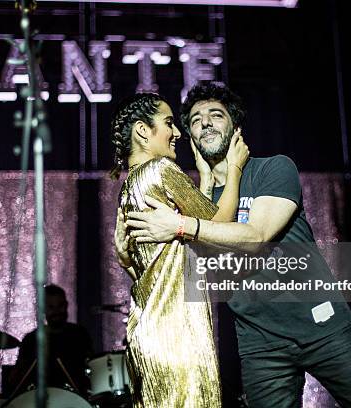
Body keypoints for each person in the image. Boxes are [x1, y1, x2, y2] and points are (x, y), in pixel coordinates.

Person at [119, 82, 351, 408]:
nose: (204, 122)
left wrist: (179, 226)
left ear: (236, 129)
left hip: (322, 327)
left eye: (216, 115)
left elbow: (256, 236)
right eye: (194, 120)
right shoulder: (197, 200)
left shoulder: (273, 168)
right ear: (190, 138)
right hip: (260, 345)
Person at [110, 92, 249, 408]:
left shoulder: (131, 187)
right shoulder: (160, 169)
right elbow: (220, 225)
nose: (177, 133)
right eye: (169, 123)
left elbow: (190, 239)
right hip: (177, 337)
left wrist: (205, 178)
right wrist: (235, 167)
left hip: (149, 335)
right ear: (143, 131)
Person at [6, 284, 92, 398]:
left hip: (76, 398)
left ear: (66, 305)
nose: (57, 311)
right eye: (51, 307)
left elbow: (91, 369)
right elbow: (17, 379)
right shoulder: (31, 339)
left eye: (60, 305)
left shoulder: (80, 334)